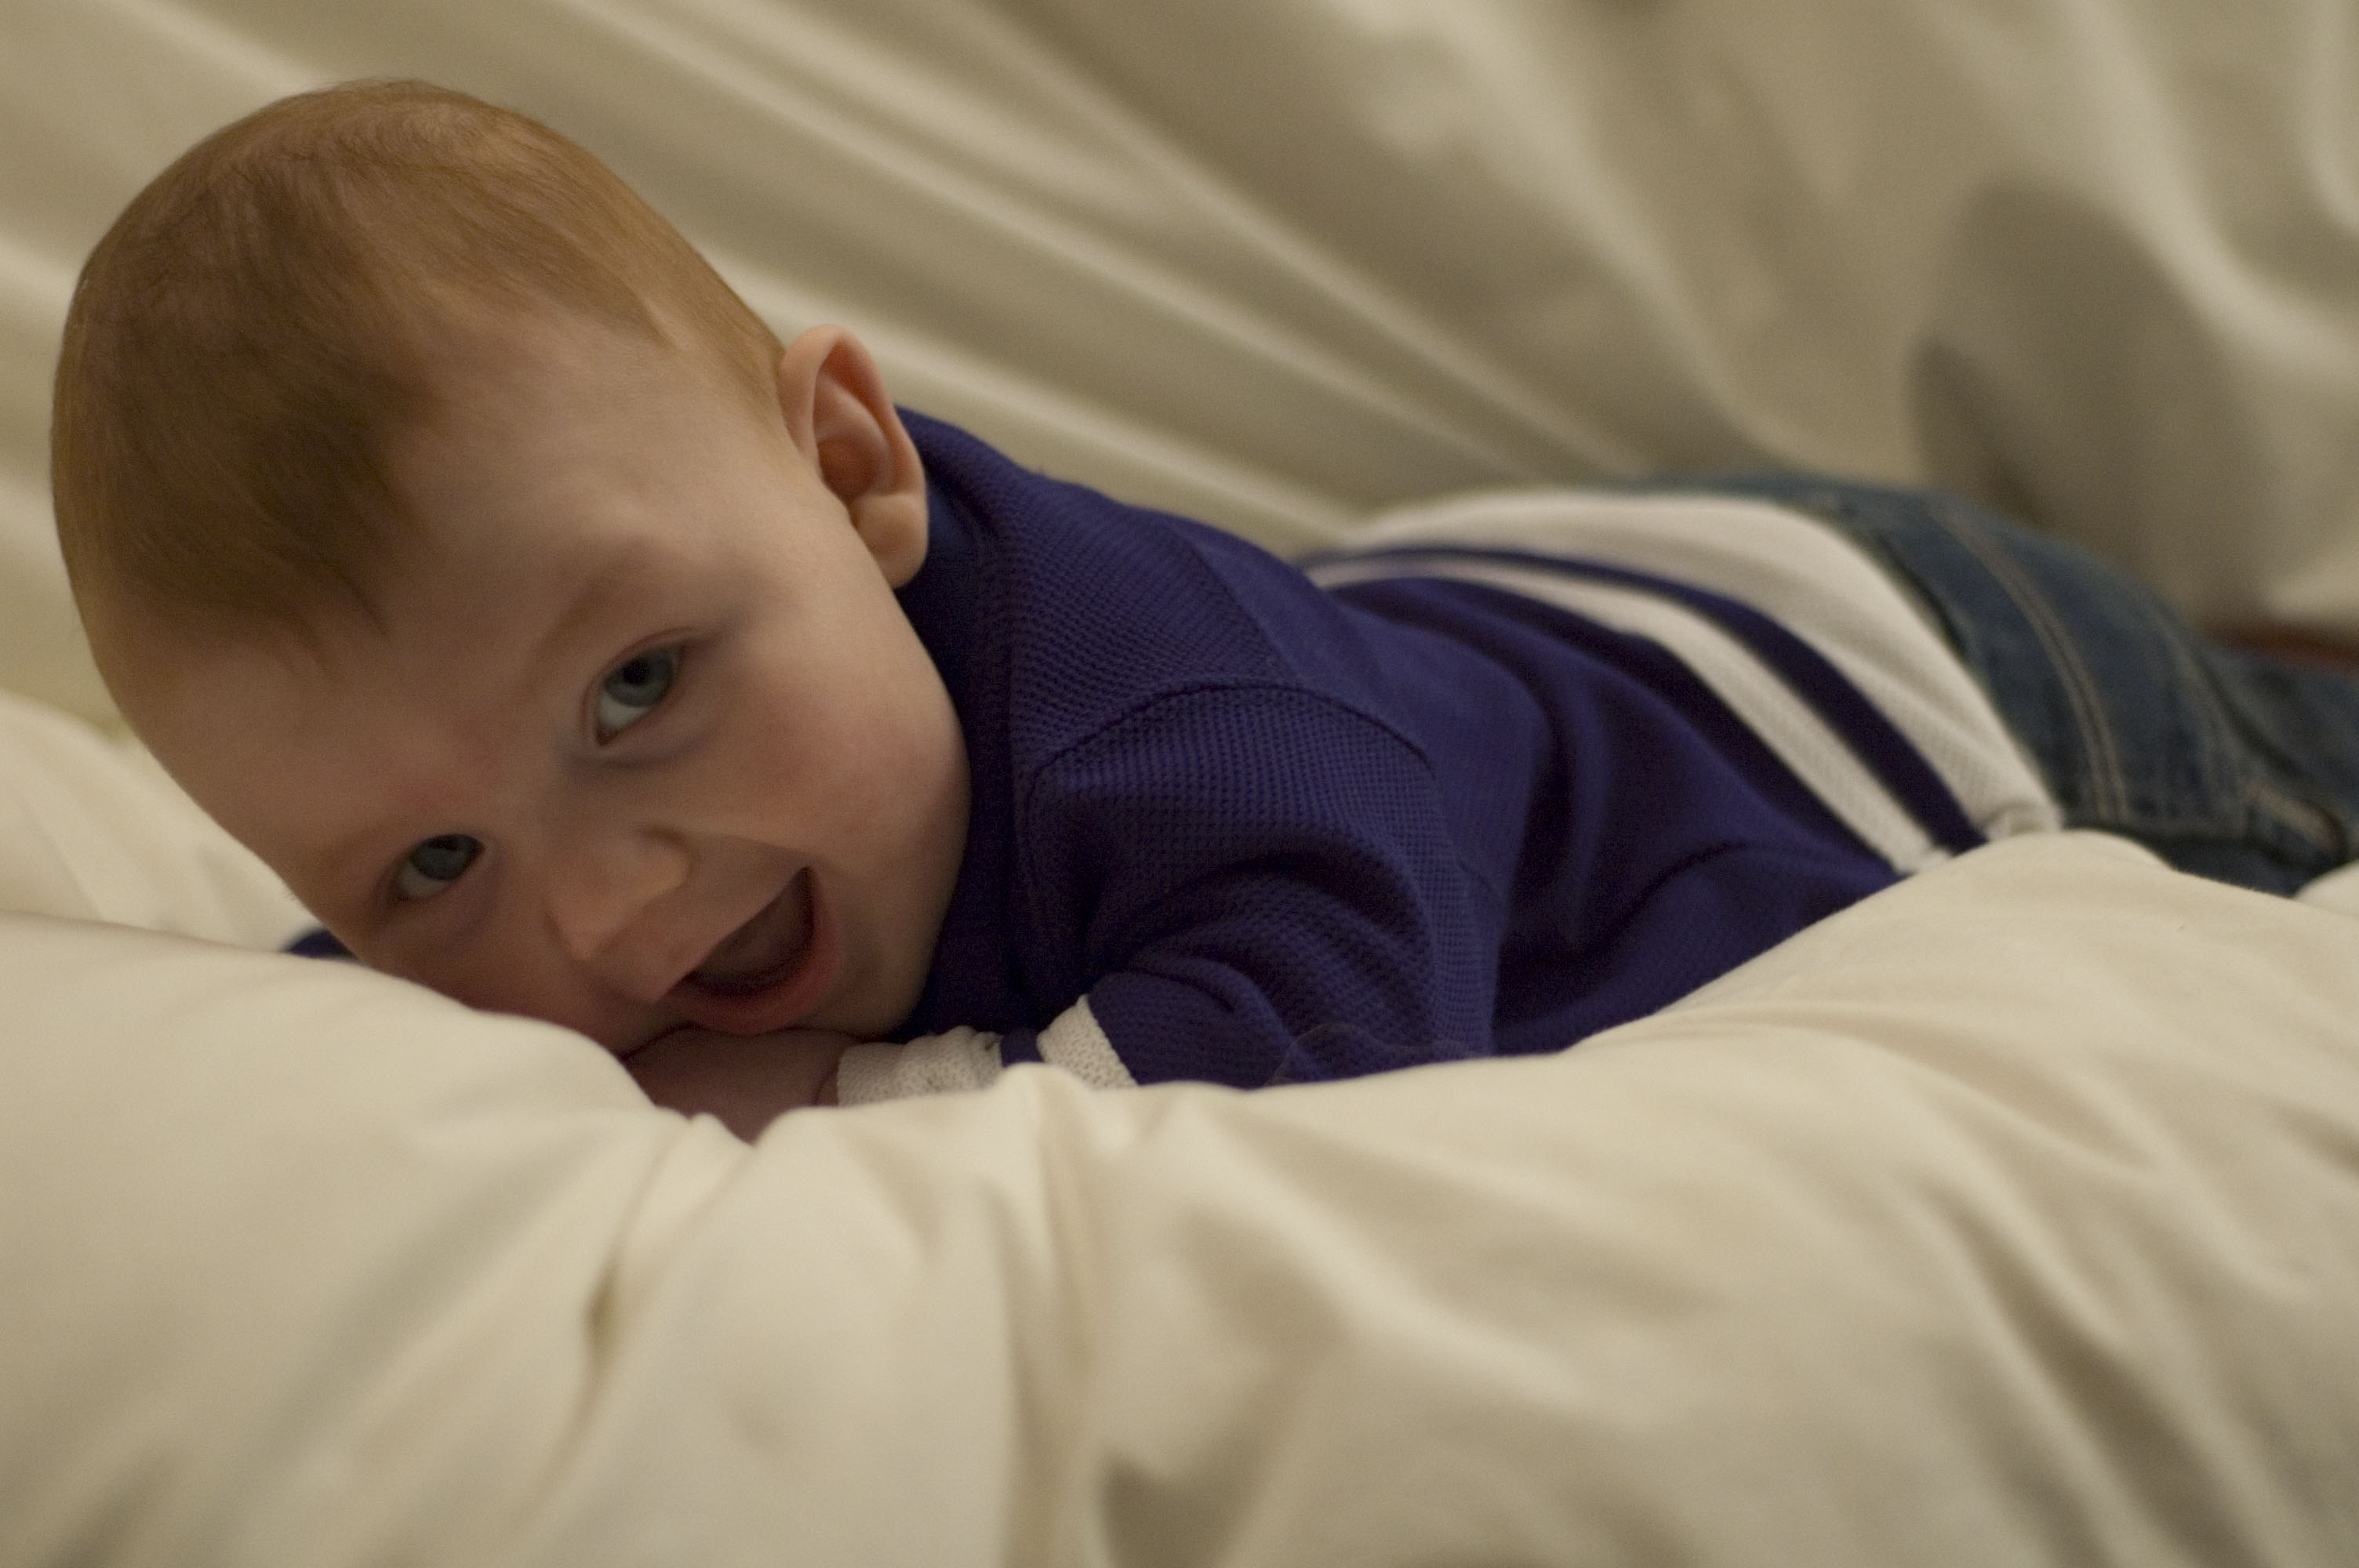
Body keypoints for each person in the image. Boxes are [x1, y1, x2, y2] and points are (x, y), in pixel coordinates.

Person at [49, 81, 2359, 1134]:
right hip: (1480, 616)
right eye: (432, 862)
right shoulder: (516, 829)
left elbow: (1315, 1050)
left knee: (2288, 756)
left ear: (850, 471)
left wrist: (824, 1095)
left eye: (640, 686)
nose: (604, 906)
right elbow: (316, 1052)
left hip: (1880, 678)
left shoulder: (1188, 746)